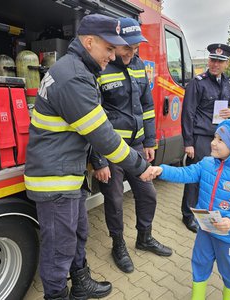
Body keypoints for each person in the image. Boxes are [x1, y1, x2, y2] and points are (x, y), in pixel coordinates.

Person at [24, 14, 158, 300]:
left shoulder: (79, 70)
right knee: (58, 248)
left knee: (78, 233)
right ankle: (57, 295)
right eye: (109, 48)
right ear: (89, 41)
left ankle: (81, 282)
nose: (113, 56)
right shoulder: (74, 77)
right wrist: (140, 167)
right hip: (55, 180)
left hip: (67, 174)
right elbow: (103, 136)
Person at [90, 17, 172, 274]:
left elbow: (147, 106)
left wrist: (149, 140)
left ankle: (144, 237)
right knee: (114, 200)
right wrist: (99, 160)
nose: (132, 52)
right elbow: (90, 117)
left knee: (148, 194)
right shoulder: (99, 68)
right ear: (115, 43)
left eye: (136, 47)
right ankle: (118, 245)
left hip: (136, 147)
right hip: (111, 150)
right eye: (128, 46)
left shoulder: (138, 67)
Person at [152, 118, 230, 300]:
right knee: (199, 262)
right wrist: (162, 170)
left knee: (229, 270)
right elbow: (186, 173)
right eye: (214, 137)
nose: (213, 143)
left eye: (221, 140)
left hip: (229, 236)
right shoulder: (206, 163)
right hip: (206, 228)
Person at [181, 43, 230, 233]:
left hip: (219, 137)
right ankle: (188, 215)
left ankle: (206, 210)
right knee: (196, 176)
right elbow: (188, 112)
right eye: (213, 60)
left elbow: (226, 107)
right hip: (201, 137)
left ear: (226, 63)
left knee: (214, 176)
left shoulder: (227, 82)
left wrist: (229, 112)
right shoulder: (198, 82)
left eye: (220, 61)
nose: (215, 64)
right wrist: (188, 143)